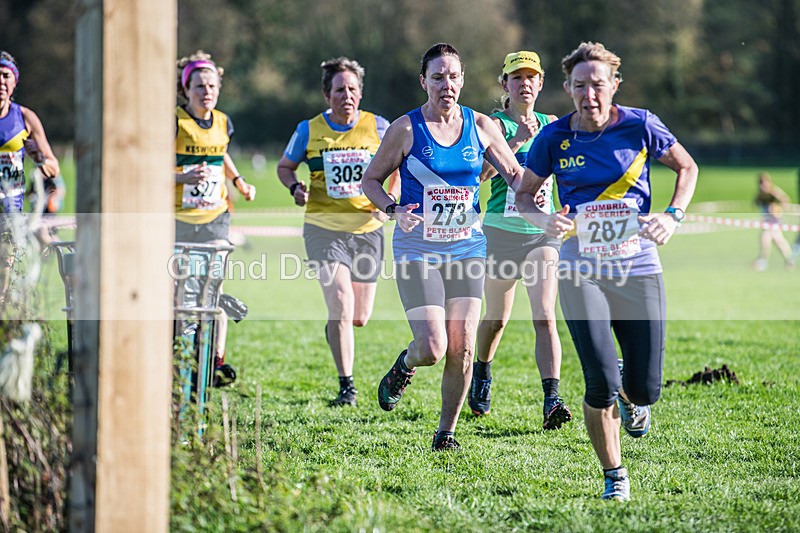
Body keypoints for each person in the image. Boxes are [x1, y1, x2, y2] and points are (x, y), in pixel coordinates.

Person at [515, 42, 698, 500]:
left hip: (638, 265)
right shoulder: (553, 138)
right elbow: (524, 196)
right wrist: (545, 220)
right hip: (581, 268)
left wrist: (672, 214)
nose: (589, 94)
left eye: (598, 84)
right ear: (567, 88)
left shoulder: (640, 124)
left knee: (645, 387)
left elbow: (686, 167)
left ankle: (635, 395)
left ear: (614, 84)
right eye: (580, 85)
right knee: (600, 383)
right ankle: (614, 476)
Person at [362, 43, 527, 451]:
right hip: (418, 248)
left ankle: (445, 433)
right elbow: (370, 181)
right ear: (424, 82)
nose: (446, 85)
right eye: (437, 77)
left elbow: (516, 174)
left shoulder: (483, 125)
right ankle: (405, 364)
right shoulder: (405, 129)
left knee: (463, 345)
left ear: (462, 80)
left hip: (467, 248)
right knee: (433, 347)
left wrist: (539, 192)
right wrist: (392, 208)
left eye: (453, 76)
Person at [277, 57, 399, 407]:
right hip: (323, 228)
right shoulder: (308, 130)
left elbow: (399, 166)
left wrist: (391, 198)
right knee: (342, 302)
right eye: (339, 89)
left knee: (358, 317)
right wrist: (294, 187)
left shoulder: (379, 126)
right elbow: (285, 167)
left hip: (368, 229)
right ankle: (347, 386)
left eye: (352, 89)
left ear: (360, 93)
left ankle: (336, 329)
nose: (346, 95)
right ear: (326, 94)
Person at [471, 50, 572, 430]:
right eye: (517, 77)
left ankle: (552, 398)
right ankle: (481, 371)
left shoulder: (554, 125)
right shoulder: (492, 125)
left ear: (541, 83)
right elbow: (480, 176)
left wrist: (566, 213)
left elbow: (566, 176)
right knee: (496, 320)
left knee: (545, 314)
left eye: (531, 77)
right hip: (500, 233)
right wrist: (515, 143)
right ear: (505, 85)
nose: (524, 83)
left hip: (541, 236)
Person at [175, 50, 257, 385]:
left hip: (216, 216)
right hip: (179, 220)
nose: (206, 91)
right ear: (186, 89)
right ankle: (182, 356)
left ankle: (215, 362)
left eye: (212, 86)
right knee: (182, 291)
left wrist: (239, 181)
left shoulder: (224, 122)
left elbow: (220, 156)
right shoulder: (175, 123)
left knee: (213, 286)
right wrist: (181, 178)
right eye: (199, 86)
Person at [0, 51, 60, 306]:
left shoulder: (24, 117)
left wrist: (38, 158)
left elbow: (53, 168)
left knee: (4, 273)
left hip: (10, 210)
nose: (0, 82)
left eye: (5, 76)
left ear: (14, 82)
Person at [753, 172, 795, 271]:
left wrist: (776, 208)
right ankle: (788, 260)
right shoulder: (761, 194)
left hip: (774, 222)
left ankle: (764, 261)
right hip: (767, 222)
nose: (764, 185)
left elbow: (785, 201)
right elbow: (756, 202)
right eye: (761, 183)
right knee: (772, 240)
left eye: (765, 183)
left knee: (772, 240)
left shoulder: (774, 192)